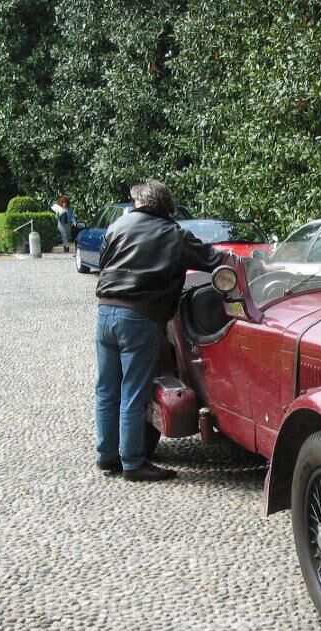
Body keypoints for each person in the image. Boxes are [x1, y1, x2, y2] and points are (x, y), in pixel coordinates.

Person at [94, 180, 224, 481]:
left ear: (142, 203)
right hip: (140, 316)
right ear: (165, 205)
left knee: (106, 388)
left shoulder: (117, 226)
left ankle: (107, 455)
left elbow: (104, 264)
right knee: (134, 391)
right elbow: (213, 260)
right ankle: (133, 463)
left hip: (105, 310)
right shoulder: (174, 234)